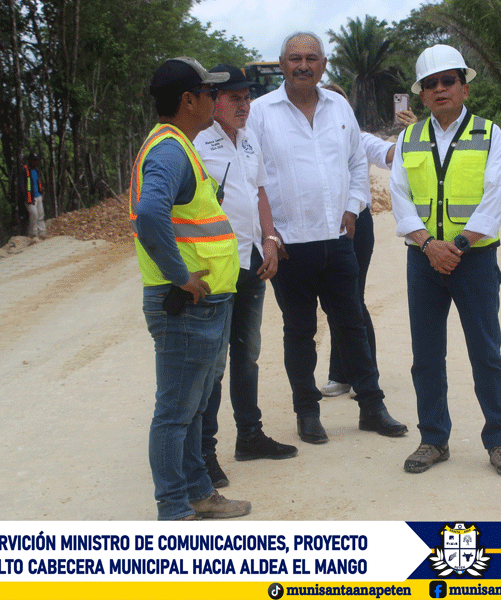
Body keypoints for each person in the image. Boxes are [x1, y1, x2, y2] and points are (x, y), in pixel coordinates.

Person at [249, 31, 407, 444]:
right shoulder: (261, 113)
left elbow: (356, 162)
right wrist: (268, 234)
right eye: (295, 58)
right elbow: (253, 178)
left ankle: (372, 407)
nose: (303, 65)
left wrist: (352, 208)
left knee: (351, 323)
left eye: (311, 58)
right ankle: (307, 413)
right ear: (282, 64)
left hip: (337, 241)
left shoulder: (339, 107)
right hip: (289, 245)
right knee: (300, 331)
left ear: (323, 64)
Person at [390, 44, 501, 477]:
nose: (440, 88)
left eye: (449, 81)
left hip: (474, 260)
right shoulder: (408, 138)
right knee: (426, 355)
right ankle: (433, 439)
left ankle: (500, 440)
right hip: (423, 260)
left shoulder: (489, 134)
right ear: (422, 94)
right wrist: (429, 244)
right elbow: (400, 197)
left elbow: (496, 195)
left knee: (486, 353)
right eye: (431, 84)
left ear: (465, 87)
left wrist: (458, 245)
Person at [131, 56, 251, 520]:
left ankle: (200, 494)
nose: (214, 99)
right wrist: (180, 275)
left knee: (195, 408)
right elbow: (150, 214)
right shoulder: (169, 151)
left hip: (205, 303)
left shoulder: (180, 145)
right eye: (208, 93)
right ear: (188, 100)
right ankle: (173, 508)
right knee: (176, 413)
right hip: (187, 305)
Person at [193, 64, 297, 488]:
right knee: (212, 362)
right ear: (213, 100)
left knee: (247, 352)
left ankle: (250, 435)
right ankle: (204, 452)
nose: (244, 105)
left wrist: (270, 239)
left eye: (247, 97)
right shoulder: (197, 142)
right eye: (234, 98)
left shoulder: (249, 138)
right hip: (216, 265)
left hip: (251, 259)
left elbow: (259, 192)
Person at [318, 83, 416, 399]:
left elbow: (392, 155)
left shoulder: (360, 139)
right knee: (332, 302)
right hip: (319, 229)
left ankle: (364, 375)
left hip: (356, 226)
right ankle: (342, 374)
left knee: (351, 299)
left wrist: (411, 133)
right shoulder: (308, 141)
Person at [19, 153, 47, 240]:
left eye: (37, 160)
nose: (36, 162)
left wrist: (41, 193)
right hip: (29, 197)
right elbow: (21, 185)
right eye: (34, 160)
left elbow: (39, 182)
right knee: (34, 214)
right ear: (30, 160)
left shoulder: (36, 170)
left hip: (38, 195)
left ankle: (42, 232)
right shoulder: (24, 170)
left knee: (41, 214)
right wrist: (25, 197)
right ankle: (33, 234)